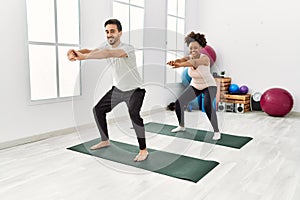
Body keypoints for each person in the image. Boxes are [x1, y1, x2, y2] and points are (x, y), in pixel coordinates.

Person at [67, 19, 148, 161]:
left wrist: (84, 57)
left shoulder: (127, 48)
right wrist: (76, 52)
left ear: (120, 33)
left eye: (112, 31)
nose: (109, 34)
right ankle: (105, 140)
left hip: (135, 90)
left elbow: (107, 53)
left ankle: (143, 150)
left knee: (134, 115)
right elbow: (93, 51)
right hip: (119, 89)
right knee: (98, 110)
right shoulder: (105, 45)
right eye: (107, 31)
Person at [167, 31, 221, 140]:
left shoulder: (204, 58)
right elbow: (182, 59)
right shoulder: (189, 57)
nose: (193, 50)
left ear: (200, 47)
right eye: (191, 48)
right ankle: (181, 126)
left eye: (195, 48)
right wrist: (175, 62)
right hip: (195, 85)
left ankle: (217, 131)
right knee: (178, 103)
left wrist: (180, 65)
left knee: (207, 106)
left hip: (209, 86)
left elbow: (194, 63)